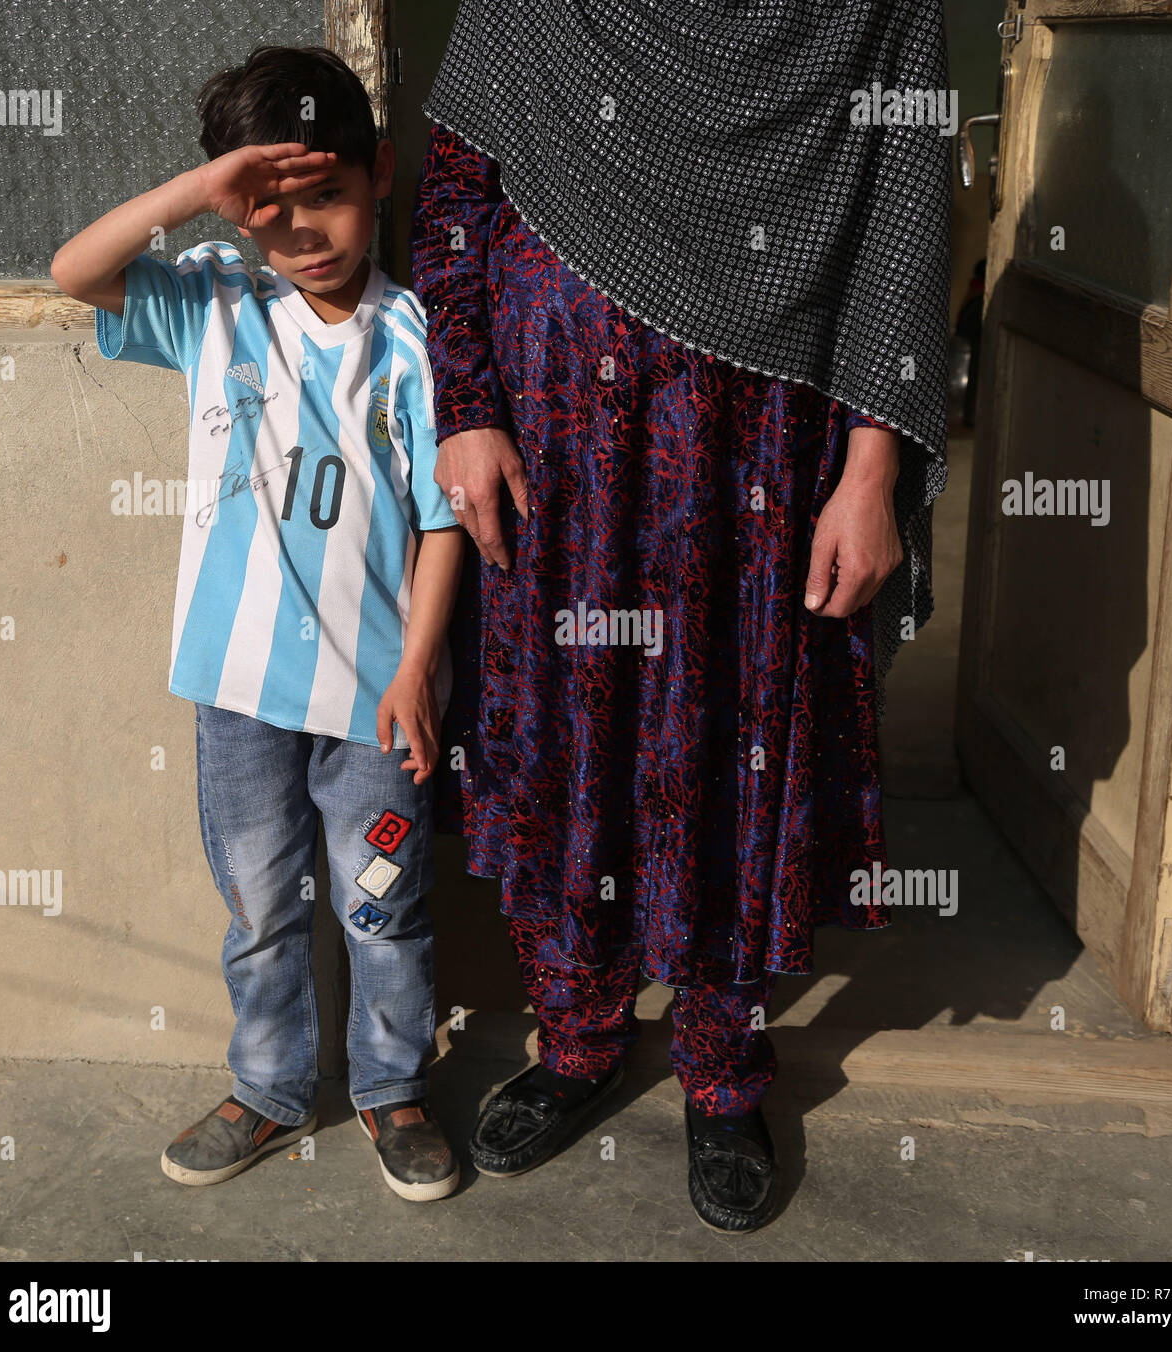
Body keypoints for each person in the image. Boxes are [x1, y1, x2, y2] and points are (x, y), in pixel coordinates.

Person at [411, 1, 951, 1233]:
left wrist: (871, 479)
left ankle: (721, 1070)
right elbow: (454, 192)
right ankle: (579, 1040)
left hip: (757, 461)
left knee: (733, 749)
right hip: (556, 461)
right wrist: (465, 406)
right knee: (570, 752)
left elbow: (905, 221)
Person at [51, 45, 465, 1201]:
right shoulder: (217, 310)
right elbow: (73, 269)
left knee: (383, 910)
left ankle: (392, 1088)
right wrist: (202, 196)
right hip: (236, 701)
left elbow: (442, 523)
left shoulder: (419, 343)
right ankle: (272, 1087)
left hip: (376, 703)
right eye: (274, 215)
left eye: (327, 197)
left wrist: (420, 667)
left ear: (379, 174)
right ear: (241, 215)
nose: (307, 235)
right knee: (259, 908)